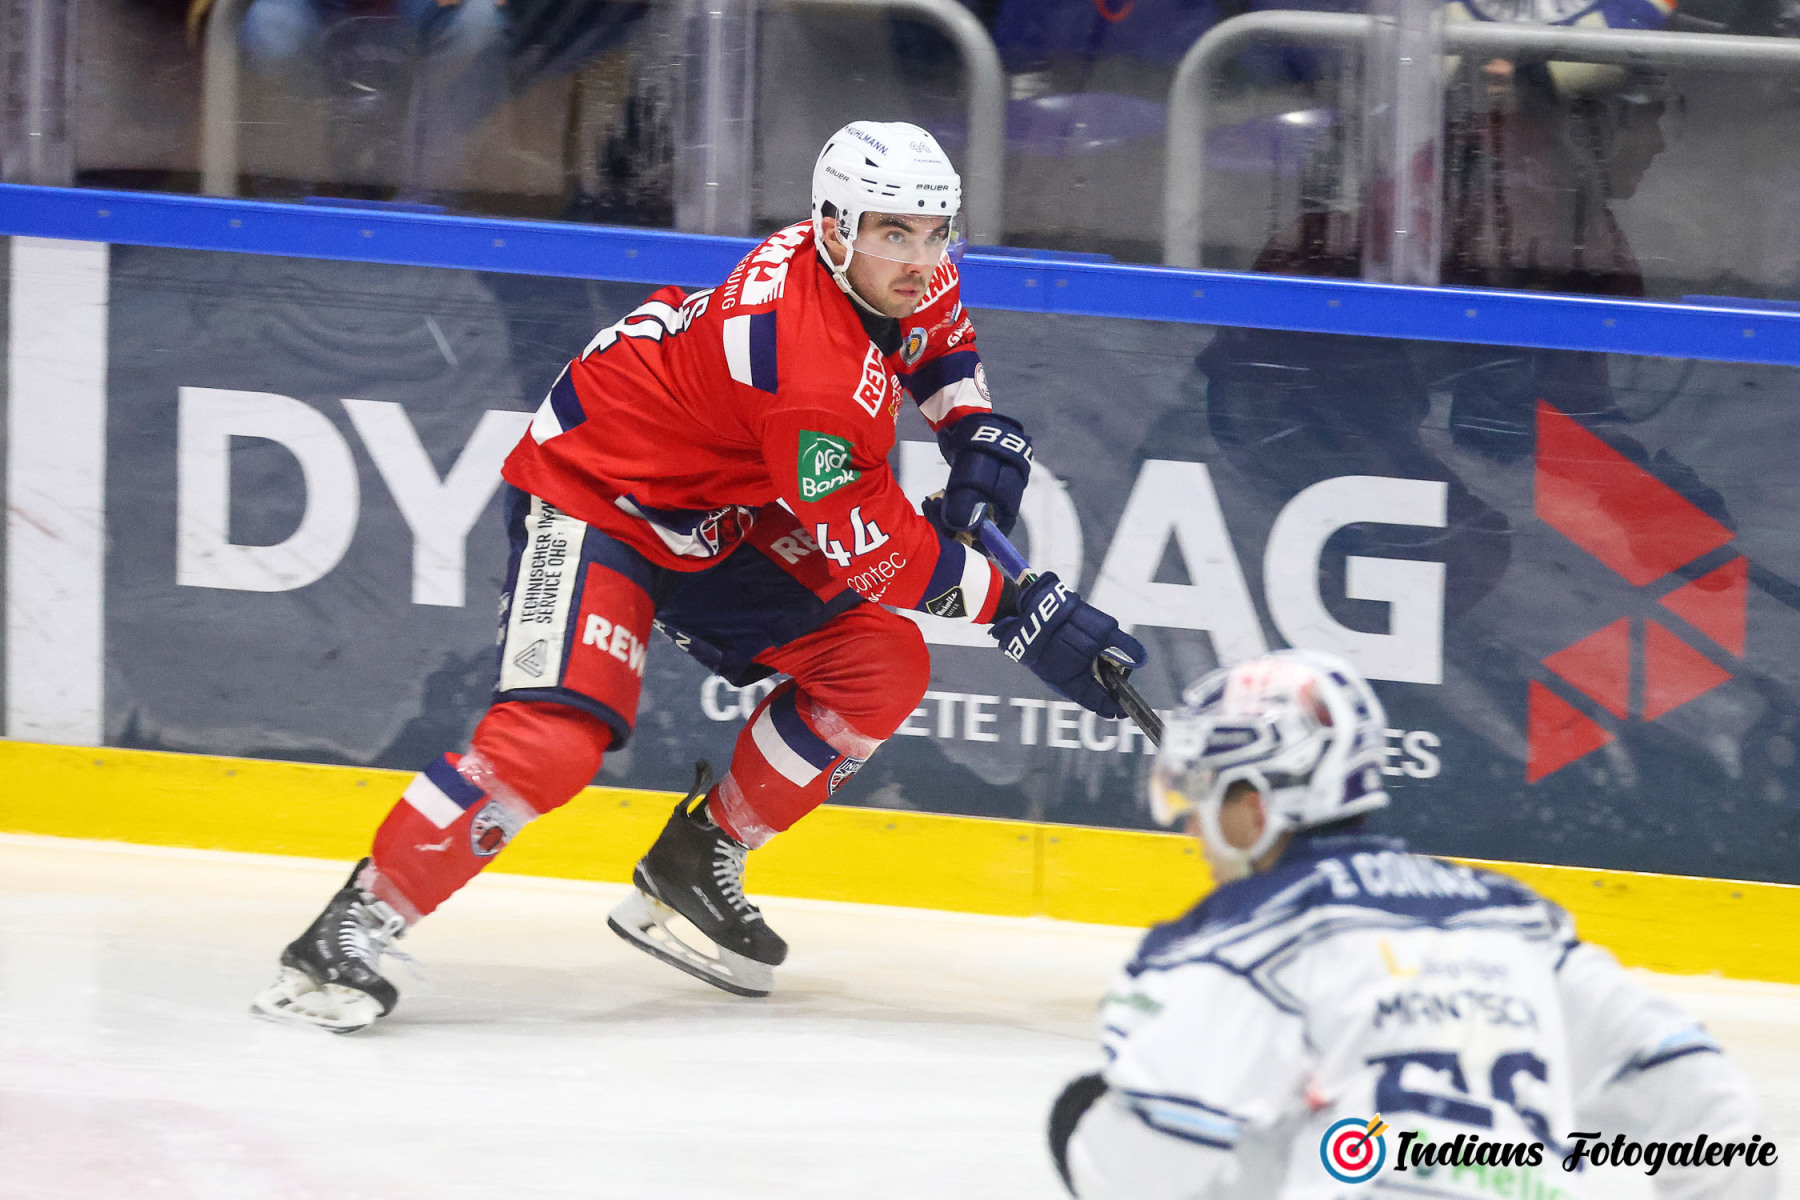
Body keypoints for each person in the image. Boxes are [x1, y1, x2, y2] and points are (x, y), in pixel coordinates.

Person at [251, 120, 1148, 1032]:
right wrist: (1023, 613)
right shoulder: (810, 376)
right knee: (552, 741)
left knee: (878, 667)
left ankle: (694, 861)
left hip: (720, 503)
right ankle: (351, 927)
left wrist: (970, 426)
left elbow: (935, 331)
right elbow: (884, 556)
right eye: (895, 233)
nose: (921, 258)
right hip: (599, 494)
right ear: (832, 228)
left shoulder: (876, 264)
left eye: (935, 230)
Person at [1049, 649, 1775, 1199]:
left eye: (1207, 794)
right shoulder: (1516, 926)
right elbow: (1712, 1112)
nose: (1193, 829)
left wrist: (1082, 1131)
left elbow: (1146, 1169)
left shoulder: (1234, 944)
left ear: (1257, 806)